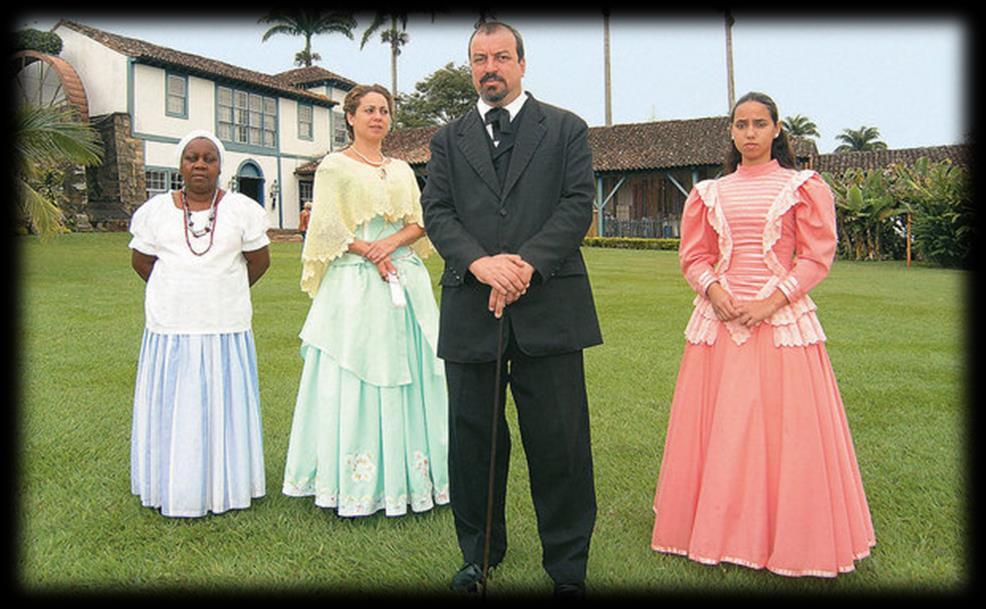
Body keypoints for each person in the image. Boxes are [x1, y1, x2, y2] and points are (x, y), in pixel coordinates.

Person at [650, 92, 876, 576]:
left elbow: (817, 255)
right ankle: (716, 530)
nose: (749, 132)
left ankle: (789, 535)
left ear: (777, 130)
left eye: (759, 123)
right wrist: (714, 292)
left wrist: (773, 300)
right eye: (740, 124)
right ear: (731, 132)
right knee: (720, 429)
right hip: (720, 322)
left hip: (781, 322)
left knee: (787, 432)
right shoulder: (709, 192)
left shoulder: (802, 185)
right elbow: (694, 256)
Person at [420, 21, 602, 598]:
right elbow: (438, 211)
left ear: (522, 64)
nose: (490, 67)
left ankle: (568, 568)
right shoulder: (447, 141)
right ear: (471, 68)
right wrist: (481, 264)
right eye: (479, 58)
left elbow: (577, 205)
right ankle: (479, 558)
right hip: (472, 307)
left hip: (550, 304)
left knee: (561, 442)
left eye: (501, 56)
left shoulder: (566, 129)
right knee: (474, 442)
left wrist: (523, 264)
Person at [281, 84, 449, 518]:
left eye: (384, 110)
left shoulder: (402, 170)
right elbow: (327, 227)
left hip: (403, 278)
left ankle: (415, 476)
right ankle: (352, 481)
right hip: (354, 281)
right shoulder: (334, 167)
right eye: (369, 110)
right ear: (351, 117)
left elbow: (419, 221)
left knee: (415, 367)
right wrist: (369, 252)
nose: (378, 116)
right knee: (356, 370)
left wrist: (389, 245)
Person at [128, 130, 270, 517]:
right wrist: (179, 288)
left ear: (220, 166)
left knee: (221, 405)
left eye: (209, 158)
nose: (200, 165)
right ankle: (174, 483)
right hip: (171, 327)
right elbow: (143, 263)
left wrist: (220, 288)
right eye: (192, 158)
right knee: (177, 405)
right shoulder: (155, 211)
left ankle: (227, 484)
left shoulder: (243, 210)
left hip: (225, 325)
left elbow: (258, 262)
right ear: (181, 165)